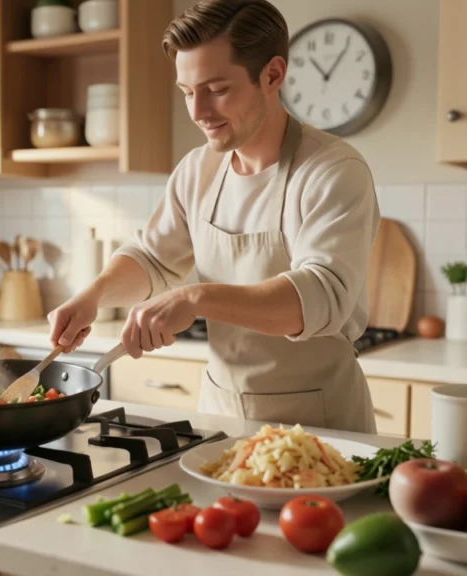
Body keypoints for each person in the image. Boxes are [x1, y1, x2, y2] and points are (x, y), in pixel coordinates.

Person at [47, 0, 380, 434]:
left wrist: (194, 298)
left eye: (217, 89)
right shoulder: (197, 170)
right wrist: (93, 295)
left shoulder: (332, 171)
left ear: (273, 75)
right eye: (187, 92)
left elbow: (319, 297)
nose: (198, 111)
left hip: (318, 424)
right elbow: (152, 257)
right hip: (219, 415)